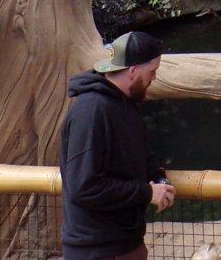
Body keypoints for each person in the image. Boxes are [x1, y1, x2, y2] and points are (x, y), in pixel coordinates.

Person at [58, 31, 177, 260]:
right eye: (152, 71)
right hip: (97, 249)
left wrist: (159, 179)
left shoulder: (125, 105)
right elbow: (85, 186)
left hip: (125, 243)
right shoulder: (91, 110)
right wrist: (147, 192)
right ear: (132, 71)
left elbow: (141, 160)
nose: (154, 78)